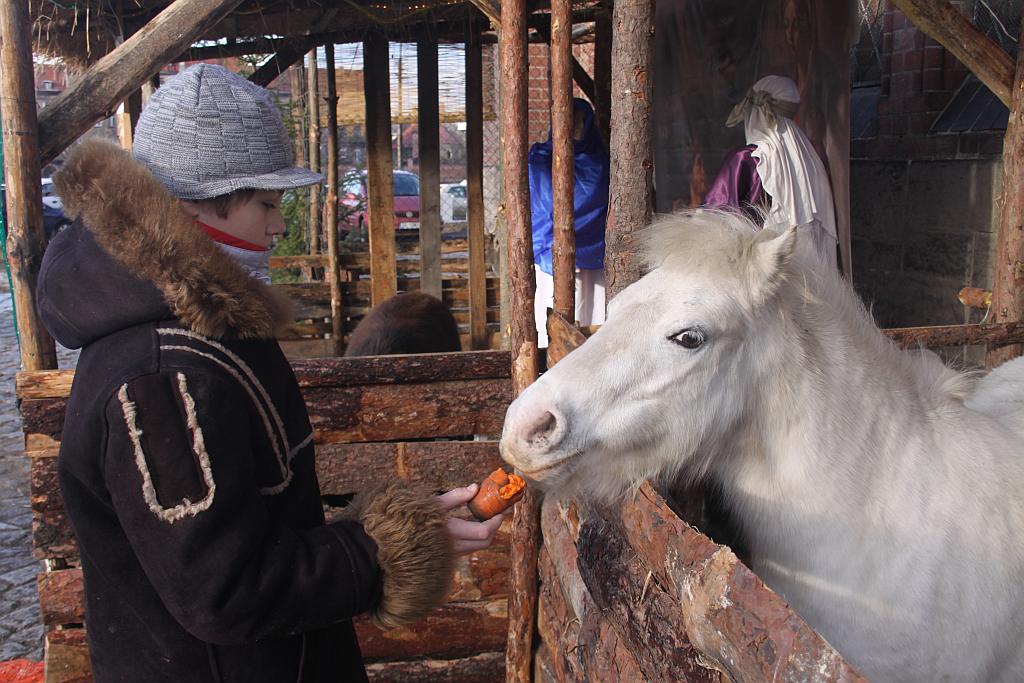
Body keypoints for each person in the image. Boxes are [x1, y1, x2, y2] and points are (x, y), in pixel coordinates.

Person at [35, 64, 502, 682]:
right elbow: (224, 589)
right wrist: (381, 551)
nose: (279, 225)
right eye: (265, 202)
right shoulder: (163, 377)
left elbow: (246, 533)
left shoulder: (196, 331)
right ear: (193, 204)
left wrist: (389, 533)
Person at [704, 75, 838, 269]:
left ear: (753, 112)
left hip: (763, 277)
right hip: (808, 277)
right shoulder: (810, 160)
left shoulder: (747, 159)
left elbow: (712, 220)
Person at [529, 98, 609, 346]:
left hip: (594, 261)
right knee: (555, 327)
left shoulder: (601, 161)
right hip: (553, 257)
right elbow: (541, 206)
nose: (573, 129)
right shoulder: (539, 160)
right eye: (569, 122)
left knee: (594, 323)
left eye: (579, 123)